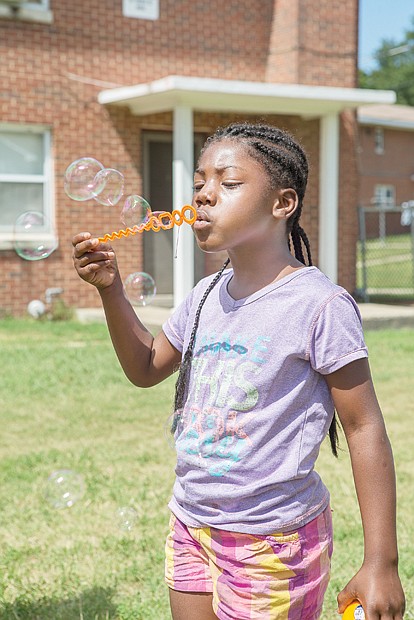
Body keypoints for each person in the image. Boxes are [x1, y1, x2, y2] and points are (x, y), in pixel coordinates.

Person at [72, 122, 405, 620]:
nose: (204, 196)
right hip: (191, 519)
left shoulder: (319, 305)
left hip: (273, 538)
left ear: (282, 203)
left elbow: (364, 427)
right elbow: (145, 368)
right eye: (199, 185)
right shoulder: (205, 295)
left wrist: (382, 560)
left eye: (227, 183)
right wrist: (110, 290)